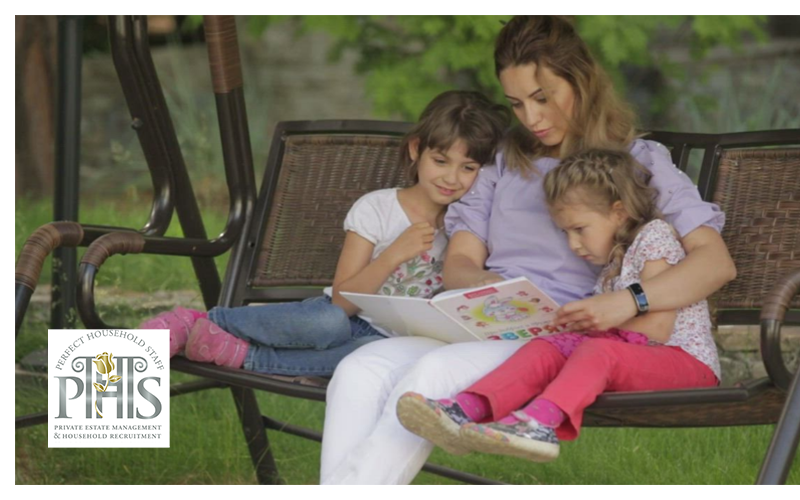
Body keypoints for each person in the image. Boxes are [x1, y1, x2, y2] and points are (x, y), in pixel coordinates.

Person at [320, 16, 735, 484]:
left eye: (543, 98)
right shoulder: (502, 163)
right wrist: (487, 286)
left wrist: (628, 301)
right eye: (516, 104)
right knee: (360, 369)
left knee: (433, 372)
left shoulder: (638, 163)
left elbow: (715, 263)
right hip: (483, 321)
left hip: (555, 340)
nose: (531, 119)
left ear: (581, 81)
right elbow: (460, 263)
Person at [138, 90, 510, 377]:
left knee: (368, 357)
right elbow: (343, 302)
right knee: (328, 324)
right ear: (416, 150)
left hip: (388, 339)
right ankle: (203, 321)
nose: (451, 178)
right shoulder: (377, 208)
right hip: (341, 316)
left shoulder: (467, 231)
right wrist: (395, 253)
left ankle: (240, 355)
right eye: (441, 161)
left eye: (468, 168)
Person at [396, 148, 720, 463]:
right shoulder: (612, 264)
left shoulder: (655, 237)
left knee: (595, 350)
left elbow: (657, 329)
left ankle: (538, 425)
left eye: (579, 230)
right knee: (546, 348)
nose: (573, 244)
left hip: (685, 364)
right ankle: (465, 410)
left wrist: (593, 322)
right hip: (633, 358)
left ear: (619, 213)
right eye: (566, 232)